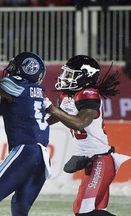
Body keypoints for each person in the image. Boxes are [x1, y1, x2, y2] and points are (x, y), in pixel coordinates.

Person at [43, 55, 130, 216]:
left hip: (100, 160)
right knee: (90, 211)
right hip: (90, 161)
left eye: (70, 74)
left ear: (85, 77)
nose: (65, 77)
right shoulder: (67, 95)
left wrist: (51, 108)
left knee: (83, 211)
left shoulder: (89, 94)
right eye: (66, 73)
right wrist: (40, 121)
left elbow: (80, 122)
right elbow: (60, 115)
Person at [0, 52, 51, 216]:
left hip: (26, 150)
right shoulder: (35, 91)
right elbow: (0, 108)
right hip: (43, 156)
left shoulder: (16, 85)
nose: (10, 69)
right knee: (19, 208)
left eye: (15, 66)